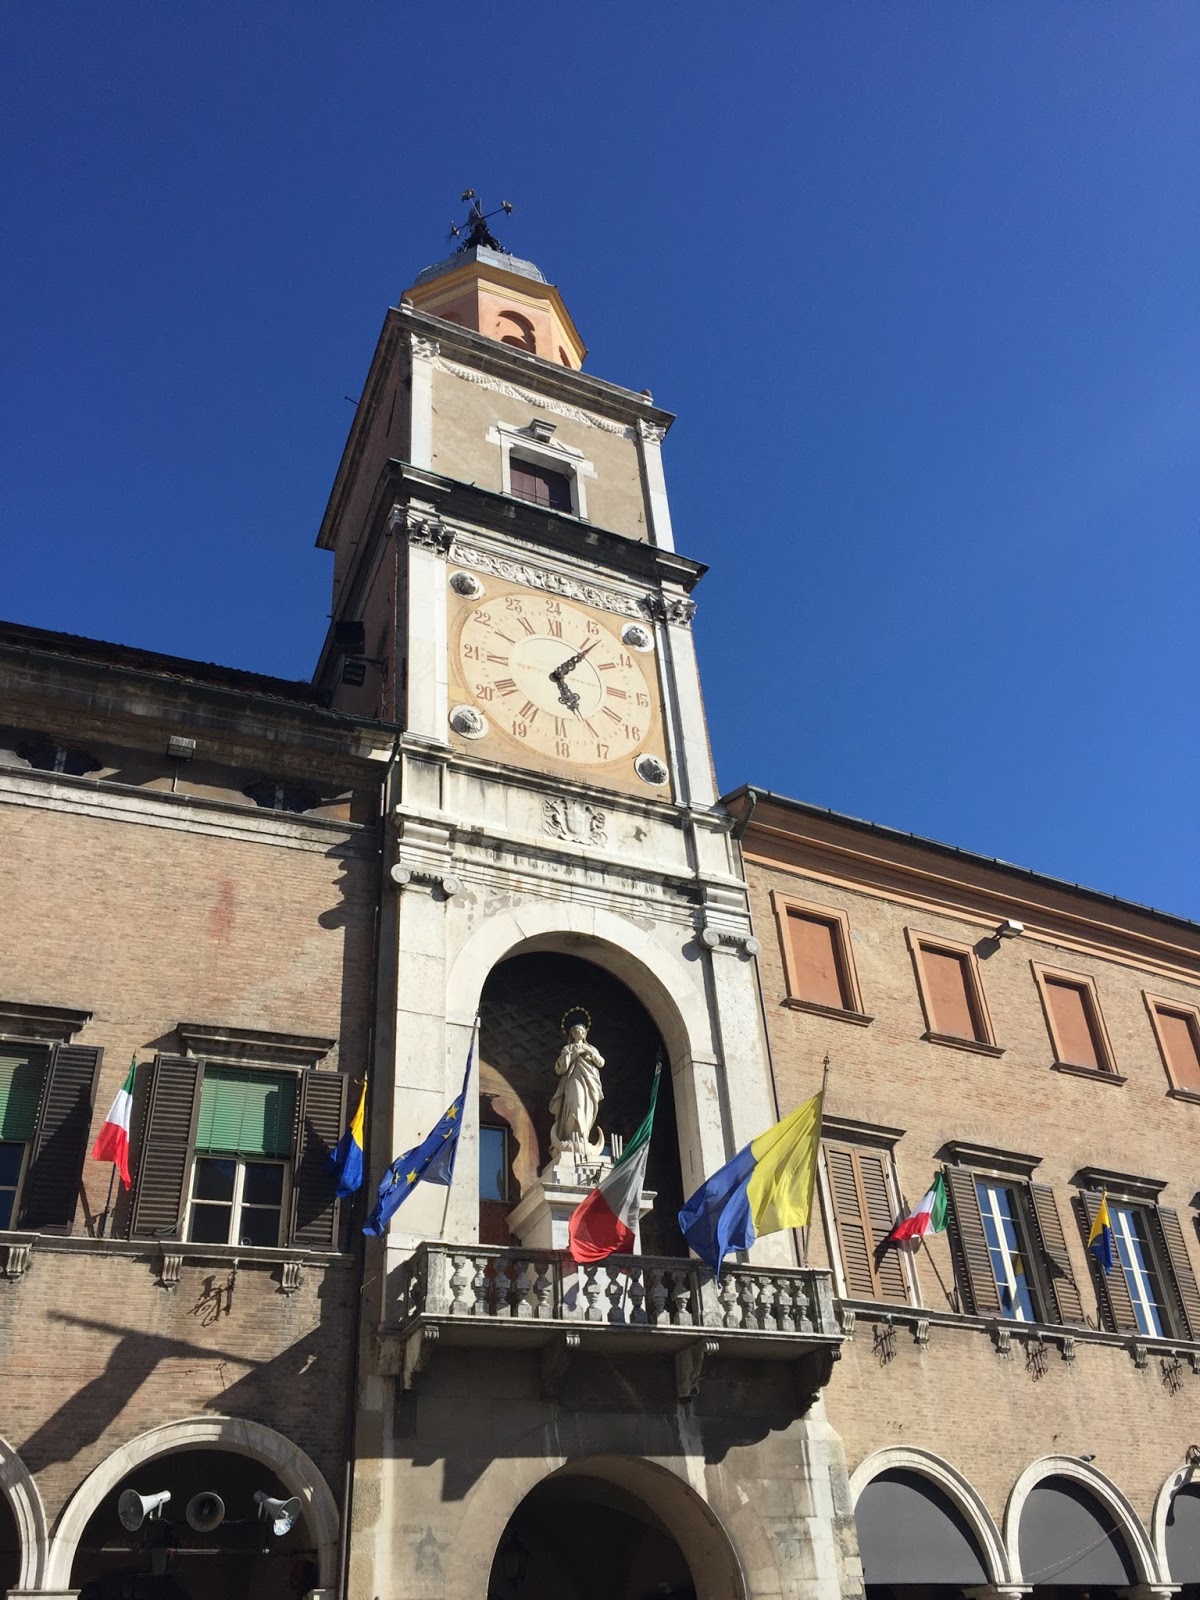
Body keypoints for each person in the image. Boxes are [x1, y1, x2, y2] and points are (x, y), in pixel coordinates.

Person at [549, 1022, 605, 1158]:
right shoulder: (568, 1048)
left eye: (581, 1030)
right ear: (572, 1034)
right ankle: (570, 1137)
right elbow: (560, 1067)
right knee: (576, 1104)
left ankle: (583, 1137)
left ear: (585, 1033)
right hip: (574, 1078)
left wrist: (591, 1054)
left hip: (590, 1082)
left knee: (587, 1109)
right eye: (576, 1030)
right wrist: (575, 1053)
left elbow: (601, 1062)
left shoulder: (591, 1048)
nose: (579, 1031)